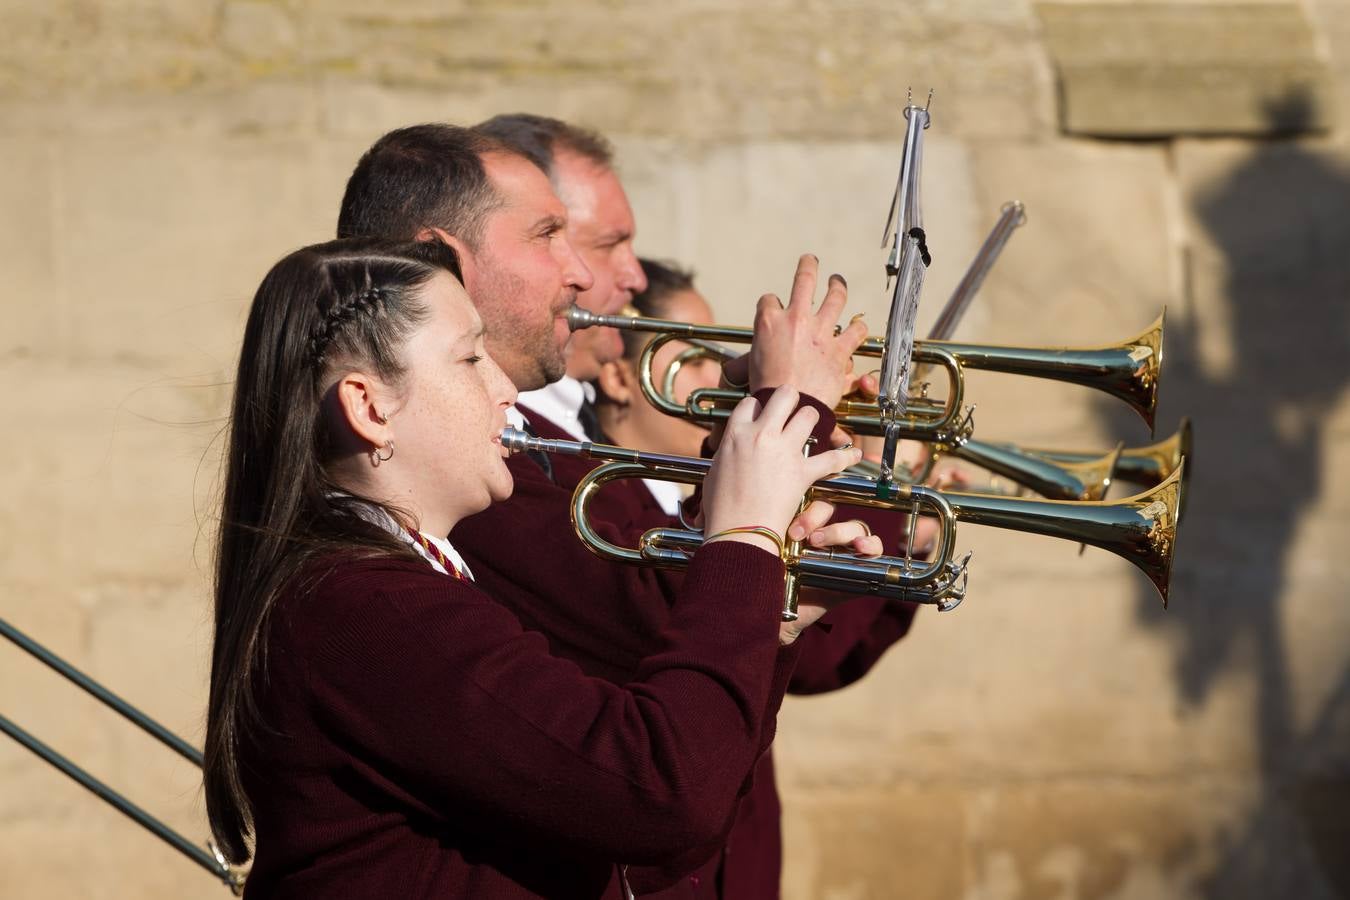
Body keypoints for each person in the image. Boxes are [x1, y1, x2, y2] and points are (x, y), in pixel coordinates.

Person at [202, 237, 865, 898]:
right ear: (369, 407)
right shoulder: (365, 609)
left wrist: (770, 621)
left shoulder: (382, 592)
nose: (503, 389)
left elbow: (649, 837)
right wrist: (745, 536)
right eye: (469, 359)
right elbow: (660, 792)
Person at [336, 121, 879, 896]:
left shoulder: (460, 509)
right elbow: (655, 756)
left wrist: (777, 613)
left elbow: (675, 806)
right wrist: (782, 418)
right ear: (444, 256)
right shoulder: (383, 588)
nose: (591, 278)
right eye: (553, 234)